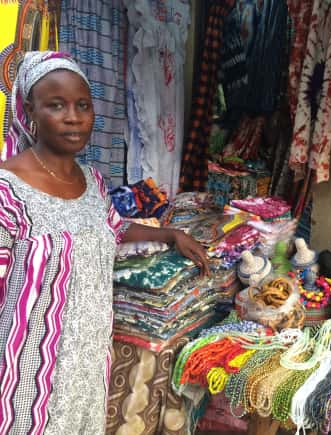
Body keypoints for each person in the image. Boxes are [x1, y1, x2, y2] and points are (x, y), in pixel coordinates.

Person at [0, 51, 209, 434]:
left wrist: (170, 234)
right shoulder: (7, 190)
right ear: (30, 108)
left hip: (87, 357)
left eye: (83, 105)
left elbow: (109, 228)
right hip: (28, 365)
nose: (73, 117)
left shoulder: (92, 180)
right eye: (56, 105)